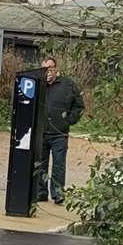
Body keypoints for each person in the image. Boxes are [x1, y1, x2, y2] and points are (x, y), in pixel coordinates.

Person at [38, 55, 84, 205]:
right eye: (44, 69)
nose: (48, 72)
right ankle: (40, 192)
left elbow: (79, 106)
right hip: (41, 132)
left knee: (58, 165)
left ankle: (58, 194)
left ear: (56, 69)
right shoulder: (38, 84)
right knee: (40, 164)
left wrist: (69, 120)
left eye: (50, 68)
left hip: (59, 133)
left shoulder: (67, 84)